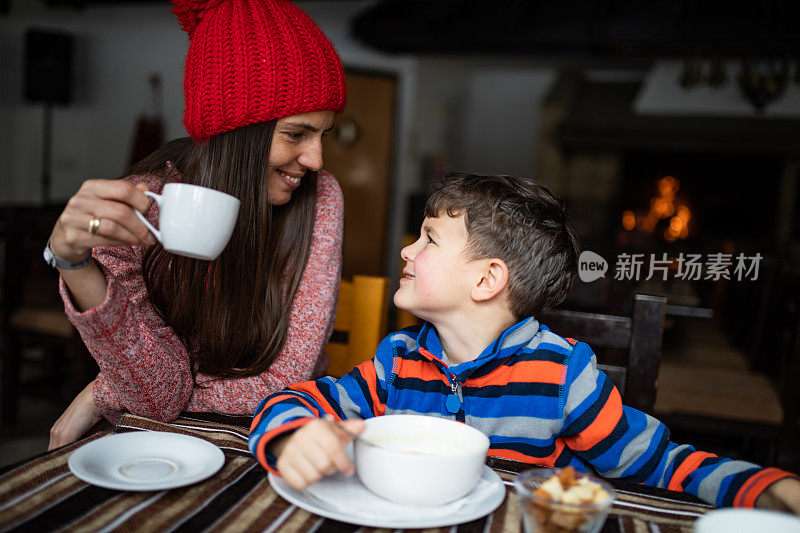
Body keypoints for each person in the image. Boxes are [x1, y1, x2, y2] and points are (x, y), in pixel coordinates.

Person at [249, 172, 800, 512]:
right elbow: (293, 400)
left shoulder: (562, 376)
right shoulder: (399, 362)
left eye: (429, 239)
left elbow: (657, 462)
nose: (406, 252)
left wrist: (766, 487)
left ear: (486, 280)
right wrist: (289, 438)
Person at [46, 0, 347, 449]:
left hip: (280, 431)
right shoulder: (138, 208)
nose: (316, 160)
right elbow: (156, 396)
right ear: (237, 132)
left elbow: (283, 382)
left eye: (324, 134)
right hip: (160, 433)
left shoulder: (320, 198)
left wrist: (105, 390)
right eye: (296, 134)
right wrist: (77, 267)